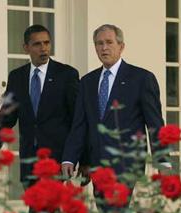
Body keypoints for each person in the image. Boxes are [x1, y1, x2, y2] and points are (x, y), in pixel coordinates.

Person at [0, 24, 79, 213]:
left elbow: (77, 120)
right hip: (29, 156)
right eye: (37, 44)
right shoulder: (17, 77)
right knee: (40, 210)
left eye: (46, 43)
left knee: (43, 209)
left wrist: (80, 156)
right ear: (26, 48)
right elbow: (7, 116)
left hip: (56, 157)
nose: (43, 48)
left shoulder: (67, 75)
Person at [62, 24, 164, 194]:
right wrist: (69, 158)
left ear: (121, 46)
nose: (104, 48)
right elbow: (79, 125)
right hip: (97, 165)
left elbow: (154, 123)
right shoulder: (87, 82)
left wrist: (162, 161)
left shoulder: (141, 78)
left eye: (109, 42)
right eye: (99, 43)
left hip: (126, 165)